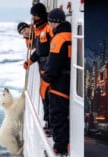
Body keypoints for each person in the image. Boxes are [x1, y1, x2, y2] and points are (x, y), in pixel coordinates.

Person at [40, 8, 71, 155]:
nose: (49, 25)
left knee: (57, 114)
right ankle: (67, 142)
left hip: (59, 83)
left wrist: (45, 82)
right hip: (68, 80)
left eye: (50, 22)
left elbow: (53, 65)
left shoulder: (59, 39)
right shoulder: (70, 35)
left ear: (54, 23)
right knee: (64, 114)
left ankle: (59, 148)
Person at [24, 2, 54, 136]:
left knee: (50, 95)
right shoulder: (39, 30)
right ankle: (48, 122)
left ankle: (52, 125)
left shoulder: (48, 28)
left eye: (34, 16)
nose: (32, 19)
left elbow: (54, 49)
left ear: (39, 15)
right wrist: (29, 61)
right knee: (44, 94)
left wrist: (51, 67)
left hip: (49, 68)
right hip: (43, 68)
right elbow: (39, 51)